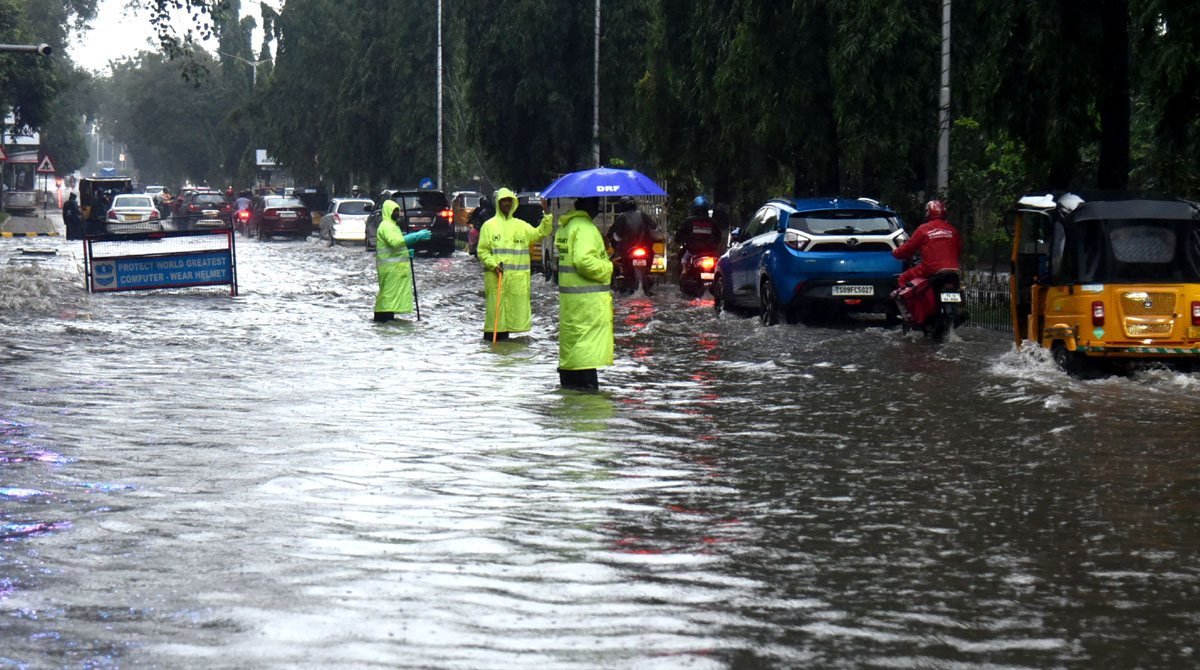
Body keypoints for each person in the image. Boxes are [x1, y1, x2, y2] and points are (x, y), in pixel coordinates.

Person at [477, 188, 553, 341]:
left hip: (515, 282)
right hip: (496, 279)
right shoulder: (489, 226)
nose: (506, 204)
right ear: (498, 203)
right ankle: (493, 353)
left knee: (509, 322)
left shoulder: (521, 226)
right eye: (503, 201)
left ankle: (505, 356)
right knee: (495, 321)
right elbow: (482, 250)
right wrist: (493, 265)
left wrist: (547, 214)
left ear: (513, 203)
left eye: (509, 200)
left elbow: (539, 234)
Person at [554, 196, 613, 390]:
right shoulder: (586, 228)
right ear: (590, 207)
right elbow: (583, 261)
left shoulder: (566, 228)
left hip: (571, 304)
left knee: (573, 350)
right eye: (597, 206)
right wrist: (608, 267)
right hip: (588, 305)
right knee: (587, 358)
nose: (598, 212)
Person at [374, 197, 432, 323]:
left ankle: (385, 321)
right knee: (388, 297)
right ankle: (383, 321)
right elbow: (395, 242)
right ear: (388, 211)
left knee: (390, 298)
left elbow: (395, 247)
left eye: (398, 211)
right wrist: (415, 236)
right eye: (394, 211)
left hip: (394, 270)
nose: (397, 214)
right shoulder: (386, 226)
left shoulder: (393, 226)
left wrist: (405, 253)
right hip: (390, 270)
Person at [892, 199, 962, 287]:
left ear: (928, 213)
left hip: (929, 269)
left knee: (903, 278)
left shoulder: (923, 229)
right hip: (953, 270)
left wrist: (895, 253)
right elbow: (958, 251)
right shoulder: (953, 231)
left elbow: (908, 248)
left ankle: (913, 301)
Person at [607, 195, 661, 295]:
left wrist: (614, 242)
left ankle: (612, 289)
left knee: (611, 263)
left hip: (626, 250)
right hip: (645, 249)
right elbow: (654, 227)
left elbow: (616, 236)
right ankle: (648, 273)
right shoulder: (643, 215)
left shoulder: (621, 217)